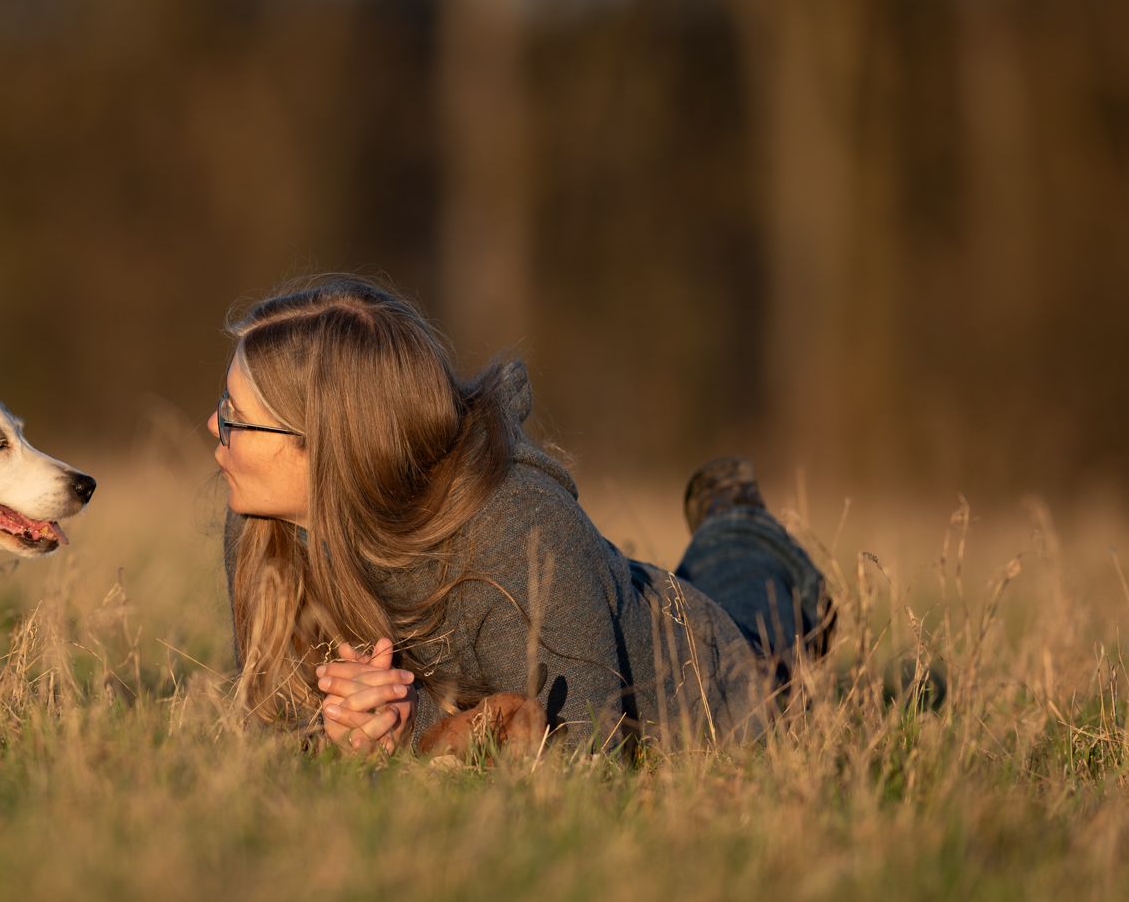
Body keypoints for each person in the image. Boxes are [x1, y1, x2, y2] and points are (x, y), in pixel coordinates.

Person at [210, 278, 831, 758]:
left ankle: (738, 527)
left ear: (325, 449)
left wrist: (409, 726)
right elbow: (273, 723)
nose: (215, 427)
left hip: (706, 693)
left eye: (235, 417)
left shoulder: (520, 529)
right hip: (610, 614)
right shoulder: (267, 517)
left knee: (759, 635)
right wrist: (353, 728)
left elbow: (588, 749)